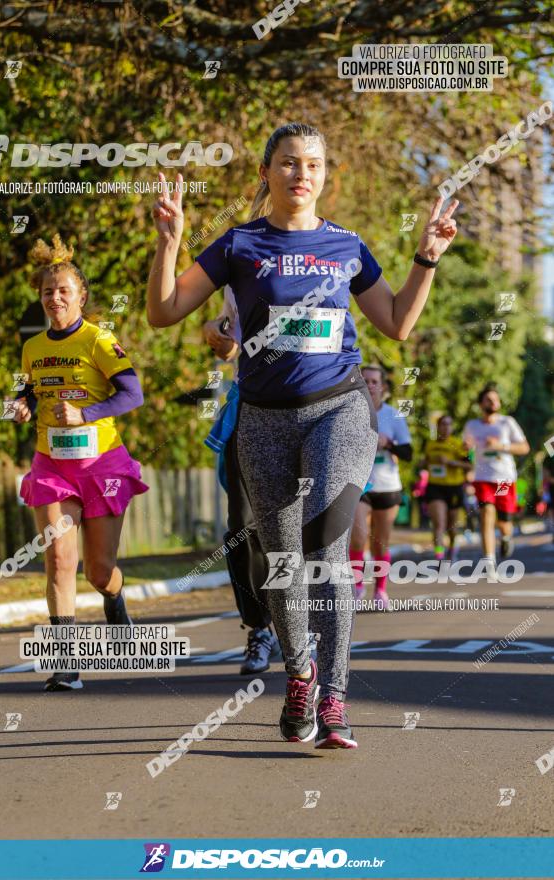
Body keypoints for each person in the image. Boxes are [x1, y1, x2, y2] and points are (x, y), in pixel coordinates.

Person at [147, 121, 458, 748]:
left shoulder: (347, 246)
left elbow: (396, 323)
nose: (301, 174)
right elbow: (163, 312)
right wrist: (170, 242)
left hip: (337, 408)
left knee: (325, 548)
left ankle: (336, 697)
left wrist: (425, 259)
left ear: (324, 175)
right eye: (289, 163)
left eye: (312, 164)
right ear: (267, 173)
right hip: (262, 419)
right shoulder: (238, 245)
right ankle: (300, 676)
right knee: (283, 563)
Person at [14, 235, 148, 691]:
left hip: (101, 465)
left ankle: (115, 602)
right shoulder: (32, 349)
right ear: (41, 296)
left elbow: (133, 393)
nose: (55, 299)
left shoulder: (98, 339)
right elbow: (29, 390)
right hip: (52, 464)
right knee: (58, 558)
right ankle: (66, 663)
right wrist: (23, 405)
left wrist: (86, 413)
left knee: (99, 570)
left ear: (81, 296)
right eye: (48, 292)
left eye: (64, 291)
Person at [203, 286, 280, 674]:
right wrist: (214, 329)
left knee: (300, 528)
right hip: (249, 410)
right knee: (242, 529)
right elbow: (229, 344)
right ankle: (259, 627)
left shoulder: (323, 260)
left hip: (309, 410)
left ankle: (300, 625)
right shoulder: (239, 274)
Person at [349, 365, 413, 611]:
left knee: (380, 543)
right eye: (365, 380)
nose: (370, 385)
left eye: (375, 381)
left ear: (383, 387)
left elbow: (408, 453)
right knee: (359, 536)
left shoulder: (393, 416)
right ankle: (356, 587)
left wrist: (388, 444)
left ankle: (380, 590)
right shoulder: (350, 413)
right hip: (359, 484)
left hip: (388, 486)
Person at [463, 383, 529, 575]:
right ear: (481, 404)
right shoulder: (472, 426)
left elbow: (524, 448)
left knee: (504, 522)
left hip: (504, 479)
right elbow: (466, 452)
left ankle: (507, 537)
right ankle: (489, 562)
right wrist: (466, 450)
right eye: (488, 399)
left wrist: (501, 446)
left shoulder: (507, 423)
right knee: (486, 514)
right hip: (483, 477)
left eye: (495, 399)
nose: (493, 402)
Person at [424, 414, 472, 561]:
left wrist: (451, 463)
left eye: (449, 424)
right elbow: (424, 463)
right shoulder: (430, 445)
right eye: (443, 424)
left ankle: (452, 549)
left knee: (452, 526)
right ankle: (439, 555)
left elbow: (469, 465)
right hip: (435, 487)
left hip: (454, 487)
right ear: (437, 427)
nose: (445, 427)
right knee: (439, 523)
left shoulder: (458, 444)